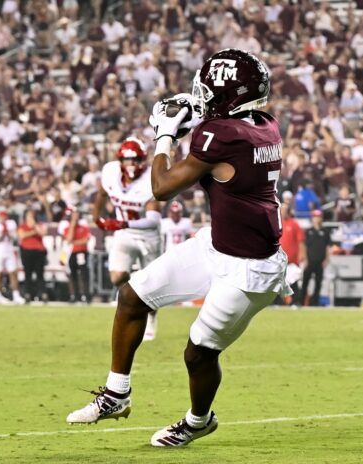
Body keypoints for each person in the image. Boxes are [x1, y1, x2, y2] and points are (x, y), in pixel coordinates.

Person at [67, 49, 289, 447]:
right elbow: (222, 135)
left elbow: (162, 188)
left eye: (208, 91)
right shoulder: (265, 124)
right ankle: (117, 393)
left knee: (199, 352)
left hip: (249, 268)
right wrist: (198, 117)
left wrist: (165, 134)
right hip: (219, 244)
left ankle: (199, 419)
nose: (201, 96)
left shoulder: (221, 136)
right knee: (133, 296)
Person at [92, 137, 162, 341]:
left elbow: (153, 220)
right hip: (124, 233)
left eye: (136, 160)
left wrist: (122, 224)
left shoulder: (151, 179)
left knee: (153, 284)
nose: (132, 164)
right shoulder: (111, 172)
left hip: (148, 237)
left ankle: (151, 319)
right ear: (120, 160)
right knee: (117, 276)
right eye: (128, 160)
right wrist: (97, 217)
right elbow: (102, 193)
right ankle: (135, 294)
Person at [0, 210, 25, 304]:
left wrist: (8, 232)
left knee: (13, 272)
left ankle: (16, 295)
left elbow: (15, 237)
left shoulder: (11, 224)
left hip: (9, 248)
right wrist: (2, 233)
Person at [300, 210, 330, 306]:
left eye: (318, 217)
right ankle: (301, 302)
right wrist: (305, 259)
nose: (317, 219)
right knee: (305, 283)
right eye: (315, 217)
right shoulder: (308, 231)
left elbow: (327, 247)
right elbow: (304, 246)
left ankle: (315, 303)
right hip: (309, 261)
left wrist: (327, 259)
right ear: (312, 218)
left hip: (320, 262)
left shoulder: (325, 232)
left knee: (318, 283)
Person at [62, 208, 91, 304]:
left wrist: (74, 242)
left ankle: (85, 295)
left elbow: (85, 240)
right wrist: (72, 226)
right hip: (71, 253)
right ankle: (75, 295)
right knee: (72, 274)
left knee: (83, 274)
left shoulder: (84, 227)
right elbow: (68, 239)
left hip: (81, 252)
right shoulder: (67, 228)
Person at [18, 209, 47, 303]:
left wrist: (34, 226)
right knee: (28, 274)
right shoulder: (22, 226)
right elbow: (22, 235)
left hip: (39, 251)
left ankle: (42, 293)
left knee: (40, 274)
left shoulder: (39, 224)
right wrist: (34, 232)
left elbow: (43, 233)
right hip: (27, 251)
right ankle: (27, 293)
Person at [279, 204, 305, 302]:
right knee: (277, 283)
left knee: (294, 282)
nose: (282, 212)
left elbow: (300, 242)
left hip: (292, 261)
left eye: (285, 210)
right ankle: (278, 303)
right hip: (279, 261)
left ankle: (296, 302)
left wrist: (302, 255)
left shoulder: (294, 224)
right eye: (281, 210)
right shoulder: (277, 224)